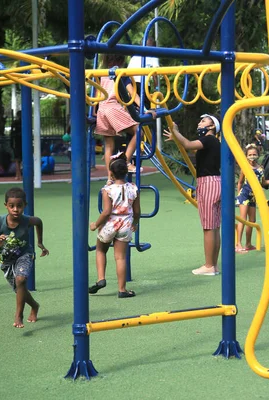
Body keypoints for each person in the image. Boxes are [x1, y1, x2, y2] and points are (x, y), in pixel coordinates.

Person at [163, 114, 222, 275]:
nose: (199, 123)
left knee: (208, 227)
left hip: (208, 183)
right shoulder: (213, 143)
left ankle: (209, 265)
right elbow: (191, 148)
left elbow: (188, 144)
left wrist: (175, 130)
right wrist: (176, 138)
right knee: (214, 227)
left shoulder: (210, 139)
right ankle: (213, 265)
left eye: (203, 121)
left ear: (211, 127)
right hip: (215, 181)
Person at [0, 187, 49, 328]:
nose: (15, 209)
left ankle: (18, 314)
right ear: (6, 206)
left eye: (19, 206)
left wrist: (40, 242)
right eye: (12, 206)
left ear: (24, 206)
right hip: (7, 260)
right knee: (19, 288)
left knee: (21, 280)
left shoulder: (27, 220)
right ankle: (34, 305)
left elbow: (38, 222)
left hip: (24, 255)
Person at [95, 53, 156, 178]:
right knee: (138, 131)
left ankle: (110, 178)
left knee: (109, 146)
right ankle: (126, 161)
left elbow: (96, 95)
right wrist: (145, 109)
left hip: (101, 110)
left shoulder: (100, 73)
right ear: (122, 61)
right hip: (112, 108)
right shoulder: (121, 73)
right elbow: (132, 94)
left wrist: (94, 112)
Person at [88, 153, 140, 297]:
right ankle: (122, 290)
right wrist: (134, 223)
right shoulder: (134, 188)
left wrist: (95, 225)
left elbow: (106, 212)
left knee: (100, 249)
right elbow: (137, 212)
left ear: (111, 173)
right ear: (126, 172)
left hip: (111, 223)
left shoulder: (108, 190)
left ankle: (101, 279)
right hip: (126, 223)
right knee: (120, 257)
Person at [235, 144, 265, 253]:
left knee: (252, 220)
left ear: (258, 155)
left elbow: (263, 182)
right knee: (243, 219)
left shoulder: (260, 168)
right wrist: (239, 194)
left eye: (254, 154)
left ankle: (248, 243)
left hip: (254, 196)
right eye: (250, 155)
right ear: (246, 156)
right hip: (244, 194)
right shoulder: (245, 167)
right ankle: (238, 243)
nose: (252, 156)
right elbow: (240, 182)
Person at [127, 37, 159, 110]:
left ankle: (137, 112)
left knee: (134, 103)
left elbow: (128, 72)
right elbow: (155, 73)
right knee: (145, 104)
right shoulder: (152, 56)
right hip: (143, 84)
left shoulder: (135, 56)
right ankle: (145, 116)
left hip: (132, 84)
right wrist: (156, 87)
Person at [10, 111, 23, 181]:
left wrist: (11, 142)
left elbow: (12, 133)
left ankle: (18, 175)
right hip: (21, 142)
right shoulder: (24, 122)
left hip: (17, 142)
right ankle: (18, 174)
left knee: (17, 160)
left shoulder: (15, 123)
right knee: (19, 160)